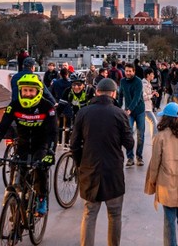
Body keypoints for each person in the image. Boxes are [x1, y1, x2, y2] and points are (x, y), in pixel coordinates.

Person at [70, 78, 135, 246]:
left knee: (89, 214)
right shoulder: (119, 114)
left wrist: (80, 163)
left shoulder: (83, 113)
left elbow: (74, 144)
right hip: (112, 171)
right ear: (113, 94)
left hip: (89, 169)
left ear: (97, 92)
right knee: (114, 214)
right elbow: (129, 143)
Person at [0, 74, 57, 216]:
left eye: (31, 91)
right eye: (25, 91)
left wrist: (51, 153)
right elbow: (2, 128)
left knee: (41, 169)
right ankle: (18, 205)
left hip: (40, 145)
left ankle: (42, 198)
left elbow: (53, 132)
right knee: (17, 171)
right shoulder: (14, 106)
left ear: (38, 92)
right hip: (22, 145)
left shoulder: (47, 107)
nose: (28, 94)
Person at [144, 103, 178, 246]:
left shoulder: (160, 137)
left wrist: (152, 181)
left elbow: (155, 162)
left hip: (166, 183)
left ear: (166, 118)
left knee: (169, 219)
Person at [120, 63, 146, 167]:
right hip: (128, 112)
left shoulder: (138, 82)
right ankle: (130, 157)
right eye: (126, 71)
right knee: (128, 134)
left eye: (130, 71)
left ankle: (139, 157)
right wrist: (117, 107)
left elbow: (137, 97)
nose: (128, 73)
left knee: (140, 135)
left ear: (134, 72)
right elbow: (120, 95)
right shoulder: (122, 81)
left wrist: (130, 109)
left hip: (139, 111)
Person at [142, 68, 160, 133]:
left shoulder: (148, 83)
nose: (153, 76)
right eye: (152, 74)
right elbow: (144, 97)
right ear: (148, 75)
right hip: (145, 108)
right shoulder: (144, 84)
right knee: (154, 123)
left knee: (153, 123)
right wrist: (152, 94)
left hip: (148, 107)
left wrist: (153, 92)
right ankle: (155, 140)